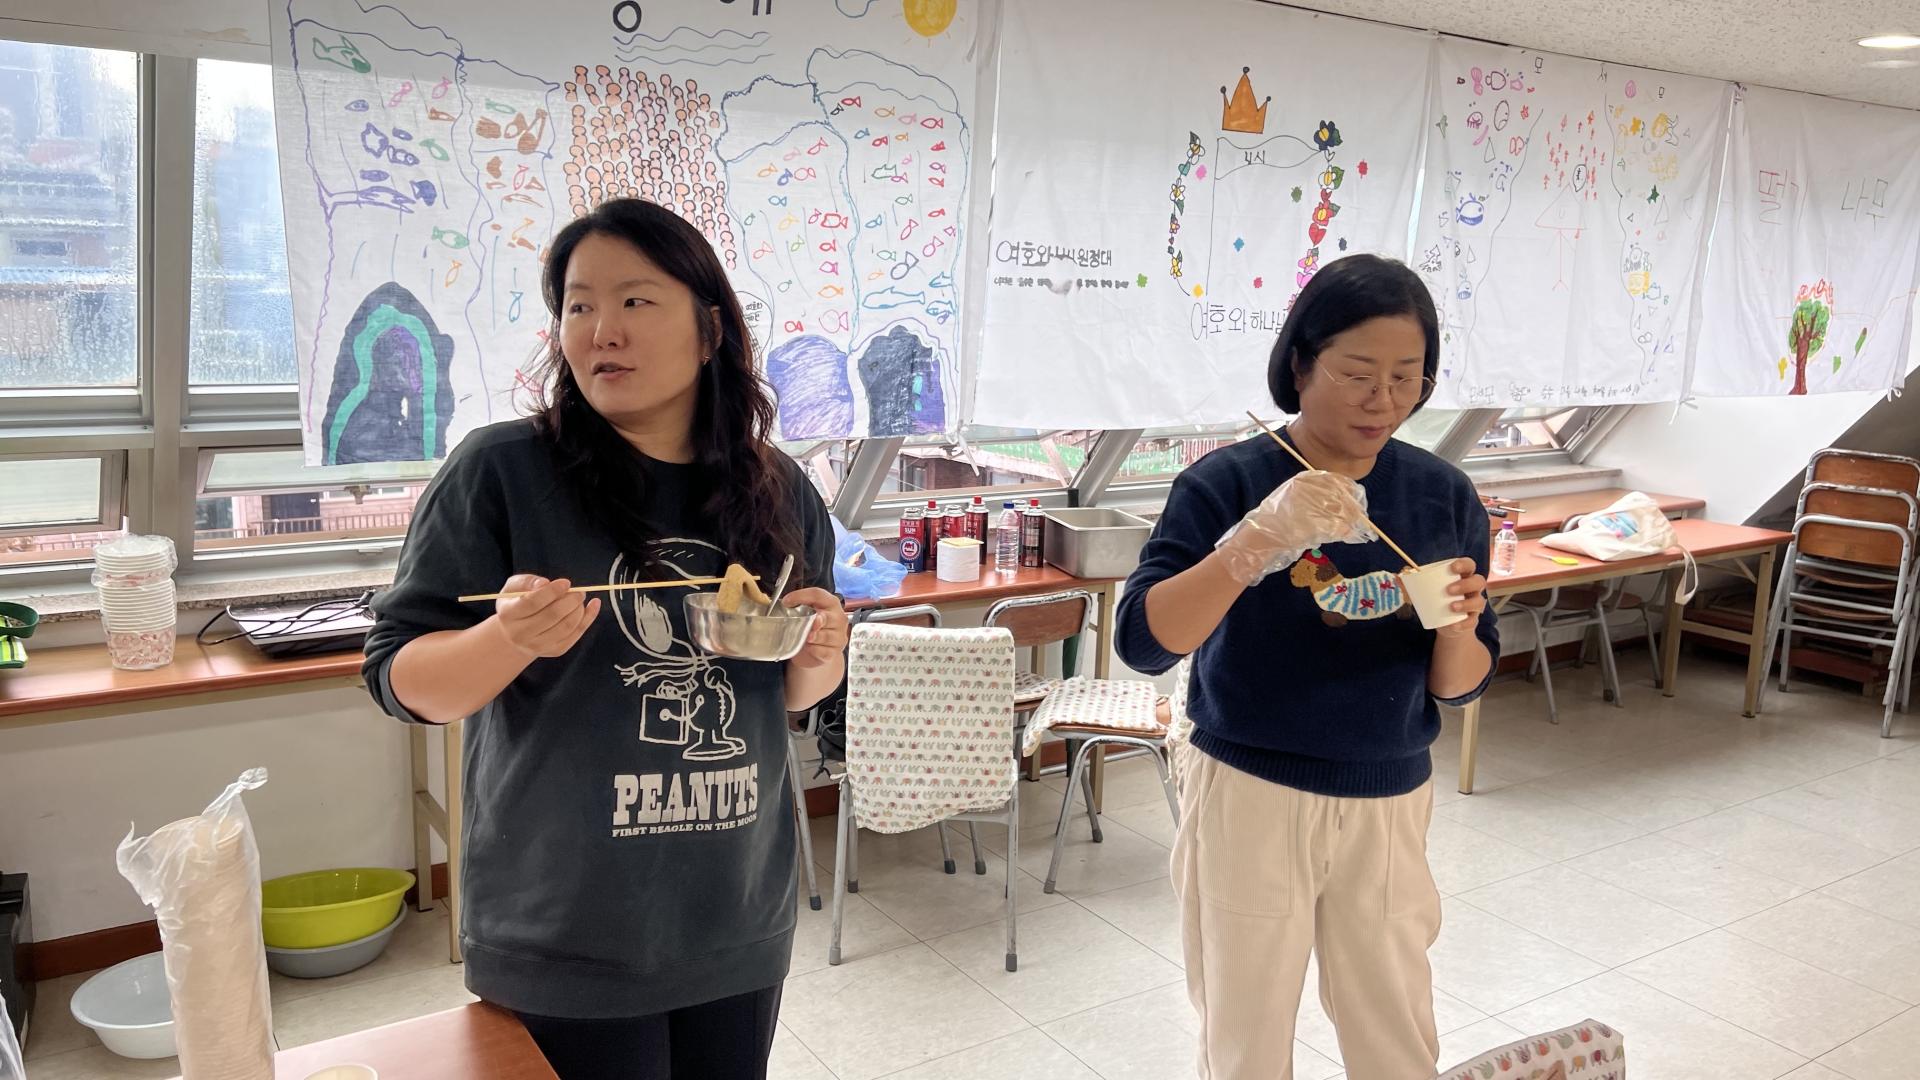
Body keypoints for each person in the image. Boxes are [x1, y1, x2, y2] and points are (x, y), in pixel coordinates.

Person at [362, 198, 849, 1080]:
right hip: (565, 927)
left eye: (634, 301)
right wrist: (507, 639)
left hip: (736, 915)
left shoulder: (777, 487)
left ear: (710, 331)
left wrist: (820, 655)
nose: (601, 331)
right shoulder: (501, 470)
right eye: (579, 305)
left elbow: (792, 698)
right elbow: (403, 681)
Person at [1116, 254, 1499, 1080]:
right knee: (1245, 1033)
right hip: (1251, 789)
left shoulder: (1442, 495)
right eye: (1358, 374)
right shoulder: (1227, 482)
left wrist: (1458, 625)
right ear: (1299, 365)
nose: (1383, 400)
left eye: (1406, 378)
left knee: (1395, 1030)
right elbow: (1145, 644)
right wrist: (1254, 542)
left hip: (1389, 794)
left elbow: (1460, 684)